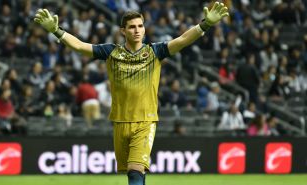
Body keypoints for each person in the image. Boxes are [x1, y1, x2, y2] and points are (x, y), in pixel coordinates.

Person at [34, 2, 228, 185]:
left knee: (136, 170)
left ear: (144, 29)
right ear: (123, 31)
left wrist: (206, 24)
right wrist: (55, 30)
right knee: (134, 172)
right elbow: (79, 46)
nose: (137, 30)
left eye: (140, 26)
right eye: (132, 27)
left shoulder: (155, 51)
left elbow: (183, 40)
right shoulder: (111, 52)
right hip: (120, 120)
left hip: (145, 120)